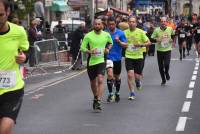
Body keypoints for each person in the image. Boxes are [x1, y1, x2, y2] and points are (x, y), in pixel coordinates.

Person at [0, 0, 29, 134]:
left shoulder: (19, 32)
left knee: (5, 128)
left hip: (12, 88)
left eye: (0, 14)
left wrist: (24, 58)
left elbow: (25, 51)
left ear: (7, 12)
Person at [80, 19, 113, 112]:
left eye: (99, 24)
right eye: (96, 24)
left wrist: (107, 48)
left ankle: (98, 100)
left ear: (102, 25)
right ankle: (95, 97)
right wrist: (90, 51)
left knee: (101, 79)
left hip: (101, 60)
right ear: (93, 25)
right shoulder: (88, 35)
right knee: (93, 82)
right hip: (91, 62)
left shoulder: (106, 35)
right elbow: (82, 48)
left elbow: (111, 43)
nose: (97, 26)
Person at [124, 16, 151, 100]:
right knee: (129, 74)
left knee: (137, 76)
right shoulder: (124, 33)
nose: (131, 23)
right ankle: (132, 92)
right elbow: (121, 43)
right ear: (128, 23)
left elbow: (149, 43)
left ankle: (138, 82)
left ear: (136, 23)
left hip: (139, 56)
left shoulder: (140, 32)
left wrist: (140, 45)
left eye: (133, 22)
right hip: (128, 56)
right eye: (130, 22)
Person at [105, 17, 127, 102]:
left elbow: (126, 45)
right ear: (107, 24)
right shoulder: (105, 33)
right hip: (108, 57)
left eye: (113, 24)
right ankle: (110, 94)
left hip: (117, 58)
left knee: (117, 77)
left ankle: (117, 92)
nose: (111, 26)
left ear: (115, 24)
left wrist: (119, 41)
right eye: (109, 24)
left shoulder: (120, 33)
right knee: (110, 75)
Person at [151, 17, 175, 86]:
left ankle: (166, 72)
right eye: (162, 21)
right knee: (161, 67)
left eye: (164, 21)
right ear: (160, 22)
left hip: (167, 50)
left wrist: (172, 40)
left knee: (166, 64)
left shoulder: (170, 29)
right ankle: (163, 79)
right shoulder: (156, 30)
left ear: (166, 22)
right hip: (159, 50)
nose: (163, 23)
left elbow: (173, 35)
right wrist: (156, 40)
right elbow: (151, 38)